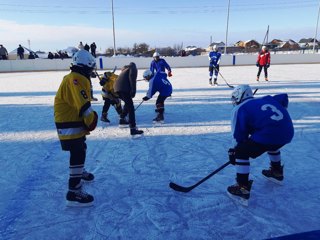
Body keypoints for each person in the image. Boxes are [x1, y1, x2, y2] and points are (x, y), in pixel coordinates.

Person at [227, 84, 294, 205]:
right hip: (288, 132)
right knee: (272, 143)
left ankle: (242, 187)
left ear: (239, 96)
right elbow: (283, 98)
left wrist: (235, 151)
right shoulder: (267, 99)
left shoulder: (240, 108)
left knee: (241, 152)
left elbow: (239, 136)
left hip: (269, 134)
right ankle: (276, 171)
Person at [54, 50, 98, 207]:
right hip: (69, 122)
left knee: (81, 147)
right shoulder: (76, 79)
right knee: (77, 151)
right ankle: (73, 191)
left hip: (72, 119)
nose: (92, 70)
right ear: (85, 65)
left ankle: (79, 172)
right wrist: (92, 119)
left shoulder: (76, 77)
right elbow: (84, 104)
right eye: (91, 66)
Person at [113, 62, 144, 137]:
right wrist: (133, 91)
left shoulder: (125, 69)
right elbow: (132, 78)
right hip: (123, 89)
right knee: (131, 108)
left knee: (128, 104)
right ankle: (133, 128)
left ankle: (122, 118)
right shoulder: (132, 68)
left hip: (117, 88)